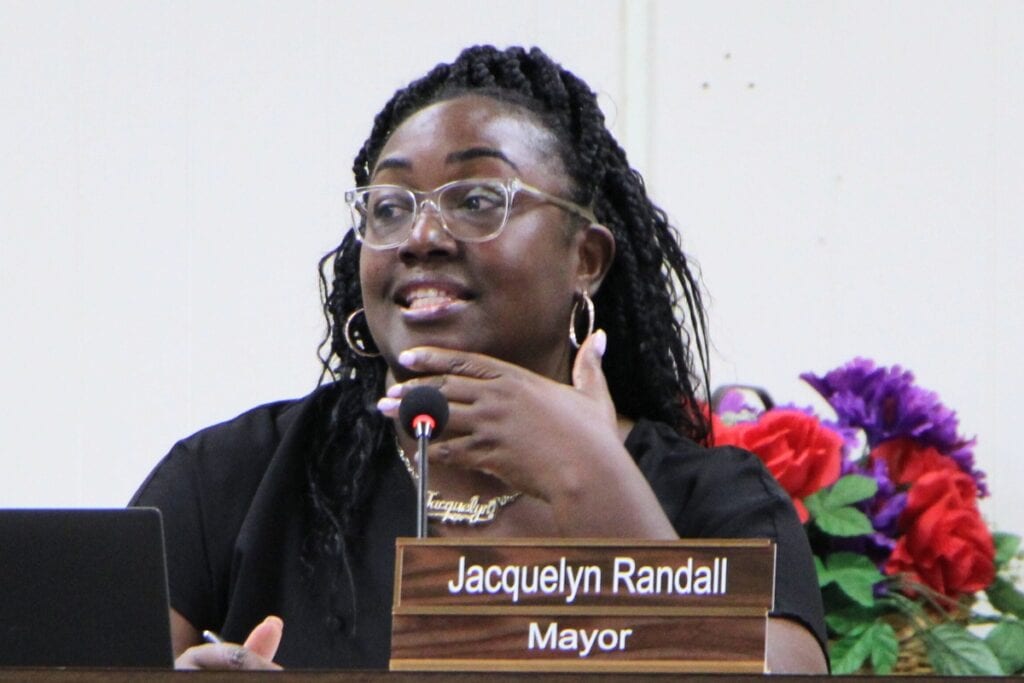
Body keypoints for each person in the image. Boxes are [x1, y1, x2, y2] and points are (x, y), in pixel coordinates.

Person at [131, 45, 828, 673]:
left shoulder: (717, 501)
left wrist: (592, 482)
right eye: (391, 207)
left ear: (585, 259)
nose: (422, 235)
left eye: (476, 199)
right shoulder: (229, 477)